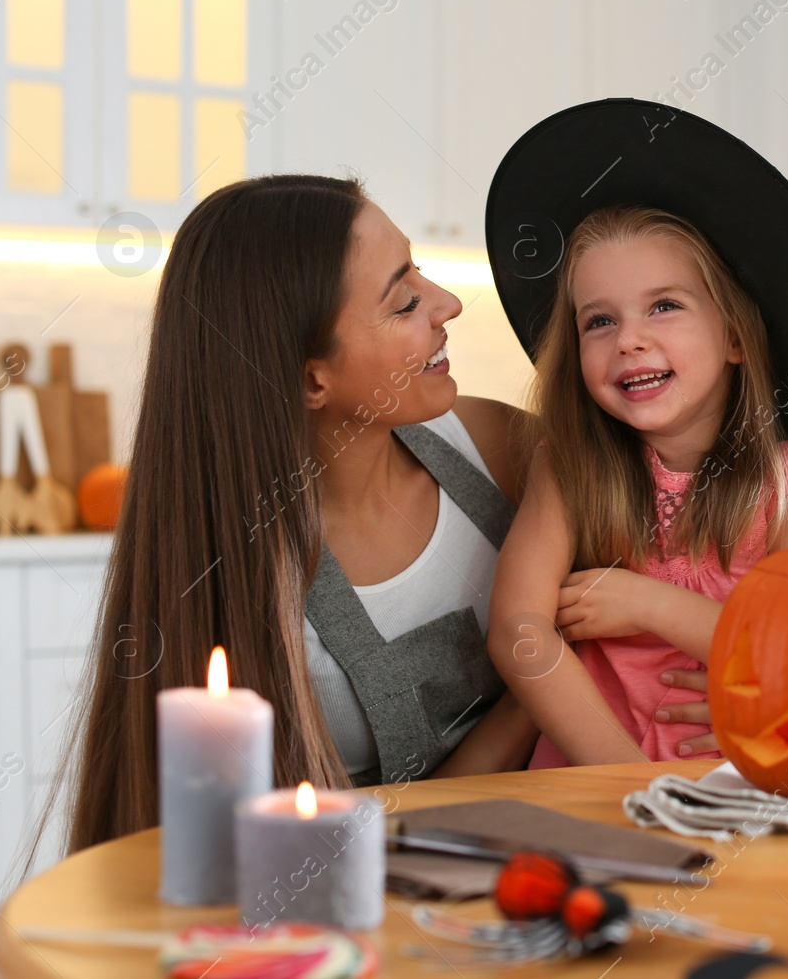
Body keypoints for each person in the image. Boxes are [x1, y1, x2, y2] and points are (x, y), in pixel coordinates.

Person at [61, 175, 721, 850]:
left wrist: (732, 700)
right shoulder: (239, 579)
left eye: (421, 274)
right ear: (311, 378)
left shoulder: (505, 454)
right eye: (405, 301)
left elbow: (686, 576)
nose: (448, 304)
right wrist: (535, 689)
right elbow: (293, 852)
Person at [481, 100, 788, 766]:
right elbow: (516, 630)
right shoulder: (572, 466)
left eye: (664, 306)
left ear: (735, 335)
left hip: (736, 791)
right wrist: (626, 779)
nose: (630, 340)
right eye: (599, 321)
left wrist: (646, 602)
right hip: (588, 781)